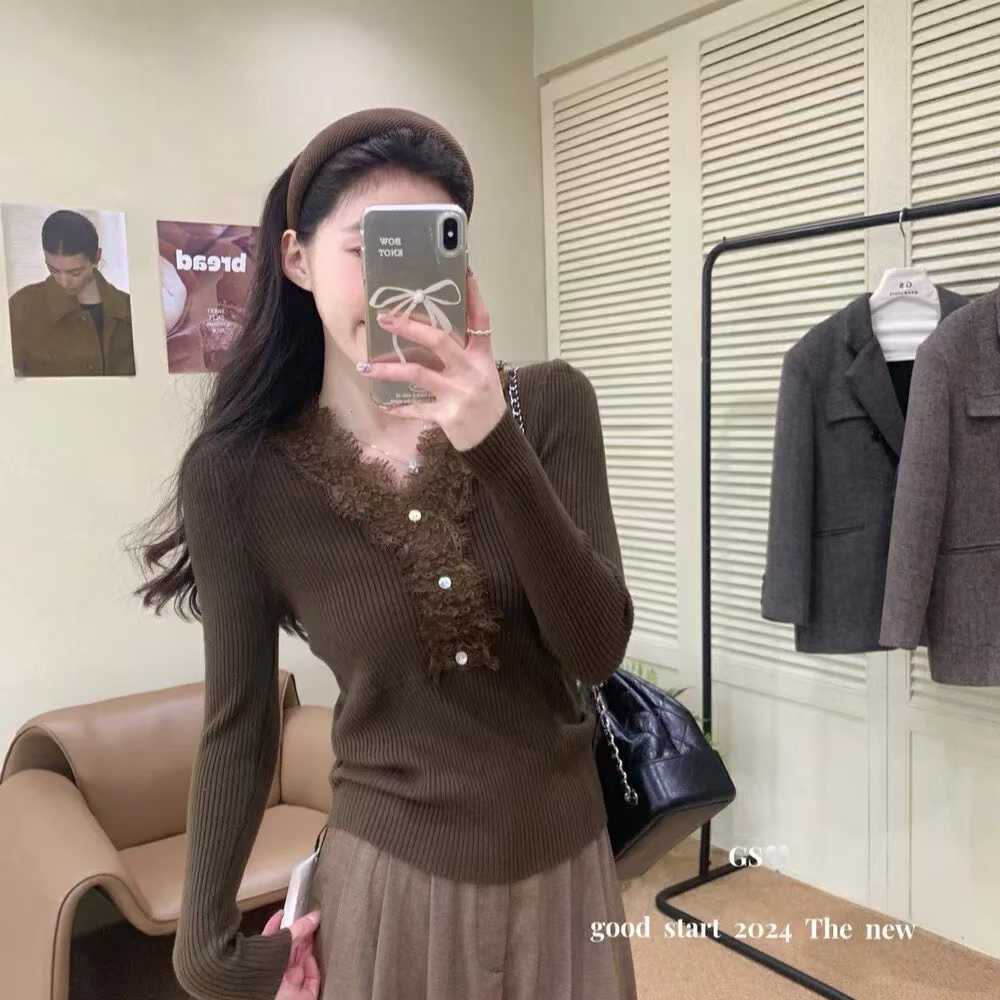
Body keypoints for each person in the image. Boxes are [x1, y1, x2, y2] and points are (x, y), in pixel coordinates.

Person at [131, 106, 638, 1000]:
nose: (399, 288)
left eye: (430, 248)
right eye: (369, 249)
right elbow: (239, 725)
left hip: (567, 871)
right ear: (297, 259)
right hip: (391, 885)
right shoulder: (240, 476)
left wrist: (496, 448)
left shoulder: (549, 406)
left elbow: (595, 649)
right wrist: (205, 952)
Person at [8, 209, 136, 377]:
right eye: (53, 269)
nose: (64, 281)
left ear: (97, 257)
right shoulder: (21, 306)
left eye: (75, 272)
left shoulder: (129, 308)